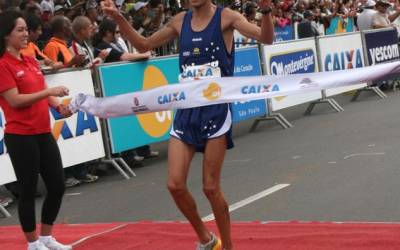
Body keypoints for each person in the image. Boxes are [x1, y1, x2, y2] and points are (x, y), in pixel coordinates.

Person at [101, 0, 274, 249]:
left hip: (215, 111)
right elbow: (144, 44)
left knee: (210, 187)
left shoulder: (227, 18)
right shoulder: (180, 21)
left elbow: (267, 39)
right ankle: (207, 238)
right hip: (186, 110)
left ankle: (228, 247)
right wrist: (119, 18)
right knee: (174, 184)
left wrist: (266, 11)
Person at [0, 10, 72, 250]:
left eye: (25, 30)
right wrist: (49, 93)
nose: (25, 34)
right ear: (5, 35)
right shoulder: (3, 65)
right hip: (20, 136)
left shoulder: (30, 59)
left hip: (42, 131)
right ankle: (32, 243)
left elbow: (41, 90)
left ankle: (46, 237)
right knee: (29, 189)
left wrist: (60, 107)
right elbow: (16, 100)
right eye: (19, 30)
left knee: (57, 185)